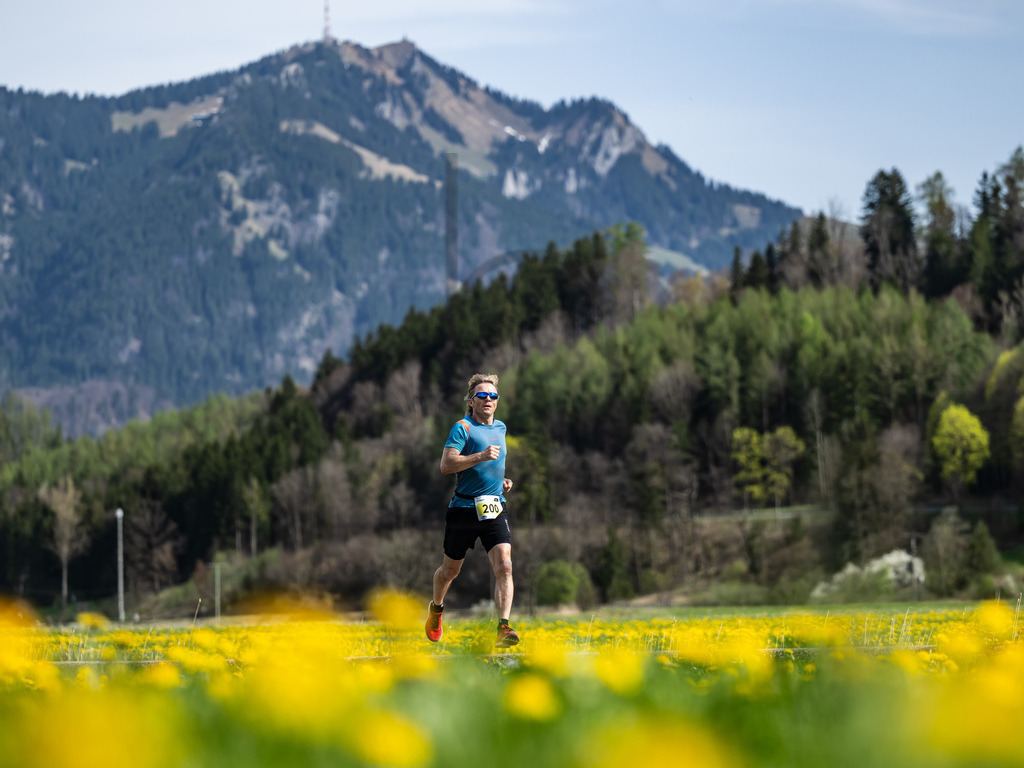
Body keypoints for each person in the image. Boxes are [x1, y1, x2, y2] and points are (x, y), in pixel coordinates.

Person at [425, 373, 519, 648]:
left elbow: (491, 464)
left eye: (493, 396)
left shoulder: (500, 428)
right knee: (449, 571)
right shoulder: (462, 428)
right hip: (464, 509)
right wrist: (479, 456)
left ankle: (503, 627)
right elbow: (446, 465)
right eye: (482, 395)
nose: (488, 399)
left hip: (494, 507)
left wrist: (500, 481)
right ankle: (436, 610)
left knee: (505, 565)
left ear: (497, 402)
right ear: (471, 400)